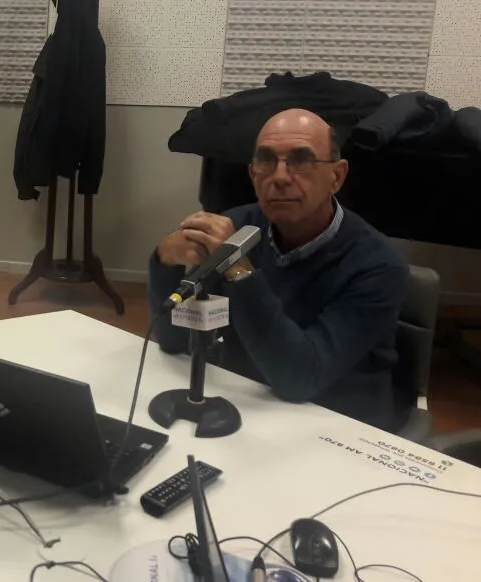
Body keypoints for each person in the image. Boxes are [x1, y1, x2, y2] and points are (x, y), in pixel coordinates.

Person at [148, 108, 409, 431]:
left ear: (337, 176)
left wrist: (238, 270)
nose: (280, 176)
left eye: (301, 160)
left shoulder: (378, 265)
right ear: (253, 174)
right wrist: (164, 261)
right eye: (266, 161)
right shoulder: (238, 226)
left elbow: (299, 379)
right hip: (246, 400)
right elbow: (175, 341)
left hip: (335, 423)